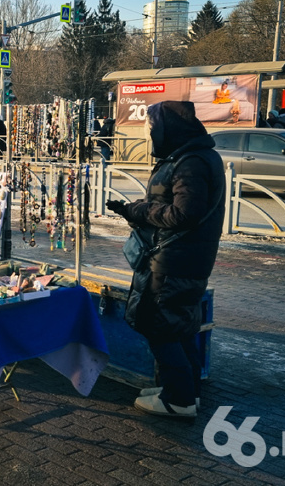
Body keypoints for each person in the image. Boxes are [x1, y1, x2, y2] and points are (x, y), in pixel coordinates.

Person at [105, 101, 225, 419]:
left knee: (154, 323)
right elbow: (171, 203)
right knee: (178, 327)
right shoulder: (188, 156)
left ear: (167, 129)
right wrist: (132, 210)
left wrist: (141, 211)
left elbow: (185, 213)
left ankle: (179, 399)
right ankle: (185, 392)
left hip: (175, 261)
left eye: (151, 126)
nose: (148, 132)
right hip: (183, 258)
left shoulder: (191, 162)